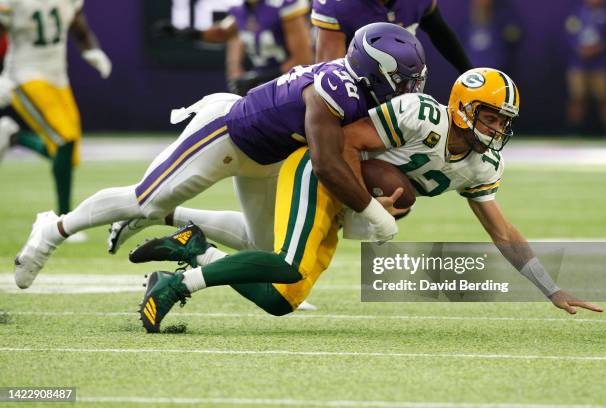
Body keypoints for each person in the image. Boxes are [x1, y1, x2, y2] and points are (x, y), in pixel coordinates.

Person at [132, 67, 603, 333]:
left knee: (280, 301)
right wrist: (370, 205)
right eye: (491, 117)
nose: (498, 129)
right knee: (288, 263)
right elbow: (345, 143)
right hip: (324, 172)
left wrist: (550, 287)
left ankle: (196, 247)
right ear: (462, 107)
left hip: (352, 199)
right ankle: (175, 286)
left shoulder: (481, 165)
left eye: (504, 122)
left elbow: (503, 232)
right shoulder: (419, 116)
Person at [14, 23, 427, 291]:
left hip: (269, 155)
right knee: (145, 198)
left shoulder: (359, 88)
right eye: (404, 80)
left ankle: (171, 223)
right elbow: (325, 162)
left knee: (264, 246)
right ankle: (54, 227)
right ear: (375, 70)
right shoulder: (336, 89)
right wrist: (371, 210)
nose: (409, 88)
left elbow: (350, 152)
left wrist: (371, 204)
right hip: (226, 135)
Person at [0, 0, 112, 219]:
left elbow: (79, 28)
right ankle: (63, 220)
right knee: (64, 138)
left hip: (58, 77)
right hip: (23, 75)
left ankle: (15, 137)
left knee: (70, 155)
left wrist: (92, 50)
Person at [157, 0, 313, 96]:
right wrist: (186, 33)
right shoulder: (242, 7)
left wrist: (258, 79)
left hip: (297, 85)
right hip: (268, 84)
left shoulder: (285, 5)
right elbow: (222, 33)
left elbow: (303, 60)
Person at [311, 0, 472, 73]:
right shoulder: (338, 6)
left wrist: (469, 72)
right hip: (354, 90)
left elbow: (440, 33)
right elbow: (328, 80)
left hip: (404, 87)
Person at [565, 0, 606, 136]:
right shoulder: (577, 13)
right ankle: (573, 132)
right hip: (578, 64)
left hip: (601, 64)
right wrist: (578, 48)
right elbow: (569, 34)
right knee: (576, 98)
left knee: (605, 98)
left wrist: (598, 47)